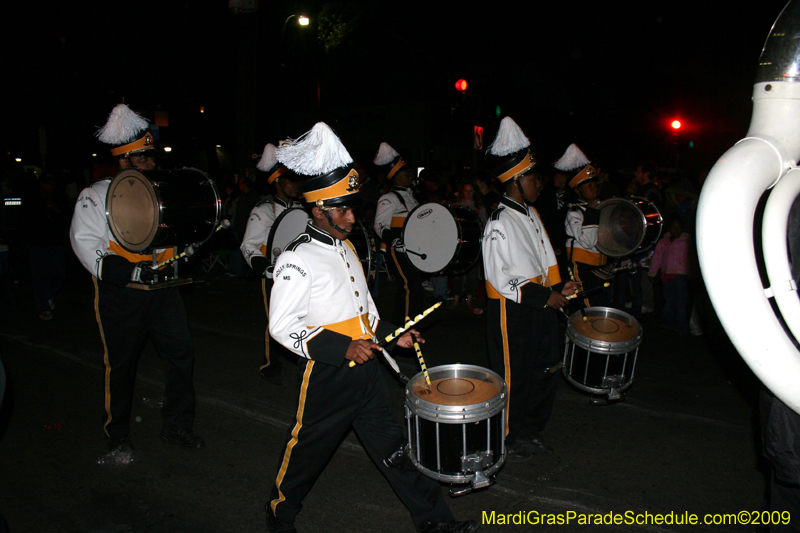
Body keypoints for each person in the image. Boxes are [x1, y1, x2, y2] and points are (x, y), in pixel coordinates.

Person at [266, 123, 478, 533]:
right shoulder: (298, 258)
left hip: (367, 374)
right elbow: (281, 326)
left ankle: (435, 521)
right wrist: (341, 348)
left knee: (396, 451)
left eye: (352, 207)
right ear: (317, 211)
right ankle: (279, 514)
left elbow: (365, 314)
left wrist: (392, 334)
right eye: (341, 209)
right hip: (328, 376)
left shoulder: (345, 246)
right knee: (307, 452)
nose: (351, 217)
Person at [69, 103, 204, 466]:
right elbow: (86, 243)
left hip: (163, 289)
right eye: (143, 159)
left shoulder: (161, 192)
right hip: (122, 294)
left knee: (181, 355)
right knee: (121, 364)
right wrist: (128, 273)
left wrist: (186, 246)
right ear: (125, 161)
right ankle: (118, 434)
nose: (151, 164)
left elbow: (172, 236)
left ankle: (176, 424)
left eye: (150, 157)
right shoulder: (96, 195)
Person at [482, 117, 579, 463]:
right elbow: (498, 276)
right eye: (533, 178)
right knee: (515, 375)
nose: (539, 184)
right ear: (516, 181)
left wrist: (559, 285)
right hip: (514, 310)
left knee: (543, 370)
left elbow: (544, 261)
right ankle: (508, 436)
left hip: (540, 306)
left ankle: (530, 431)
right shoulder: (498, 222)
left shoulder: (532, 214)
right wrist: (542, 296)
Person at [240, 143, 303, 384]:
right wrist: (264, 268)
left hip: (300, 273)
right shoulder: (264, 210)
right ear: (277, 183)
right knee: (276, 319)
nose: (297, 185)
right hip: (273, 274)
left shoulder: (302, 209)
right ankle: (271, 363)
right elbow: (249, 245)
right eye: (291, 181)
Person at [373, 142, 425, 324]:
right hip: (399, 249)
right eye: (406, 173)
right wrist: (394, 240)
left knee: (412, 286)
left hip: (413, 248)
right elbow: (379, 224)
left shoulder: (412, 197)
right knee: (411, 285)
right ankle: (408, 326)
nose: (410, 176)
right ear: (396, 177)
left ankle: (403, 325)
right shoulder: (388, 198)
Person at [555, 143, 610, 307]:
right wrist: (593, 211)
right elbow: (588, 241)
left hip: (598, 268)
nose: (594, 189)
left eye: (595, 185)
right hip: (581, 270)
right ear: (578, 190)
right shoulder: (574, 213)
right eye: (589, 186)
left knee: (598, 307)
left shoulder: (600, 209)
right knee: (589, 309)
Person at [648, 216, 692, 335]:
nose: (676, 230)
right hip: (666, 275)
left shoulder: (686, 242)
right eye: (673, 228)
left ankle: (680, 327)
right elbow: (657, 257)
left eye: (679, 228)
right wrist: (653, 272)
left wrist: (691, 273)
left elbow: (691, 258)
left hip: (680, 275)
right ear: (669, 229)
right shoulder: (663, 242)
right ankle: (667, 324)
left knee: (681, 302)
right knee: (668, 301)